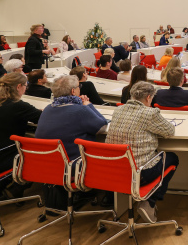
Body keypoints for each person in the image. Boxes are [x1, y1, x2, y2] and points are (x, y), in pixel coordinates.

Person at [106, 81, 179, 223]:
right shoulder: (150, 113)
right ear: (148, 98)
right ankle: (150, 201)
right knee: (172, 158)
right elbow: (169, 131)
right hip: (140, 172)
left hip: (116, 171)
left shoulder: (118, 110)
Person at [0, 73, 42, 196]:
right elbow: (42, 118)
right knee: (39, 152)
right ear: (19, 86)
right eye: (26, 86)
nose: (26, 89)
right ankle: (15, 188)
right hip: (0, 158)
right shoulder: (17, 105)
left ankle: (2, 185)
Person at [36, 74, 107, 163]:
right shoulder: (81, 110)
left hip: (48, 163)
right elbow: (102, 126)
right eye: (79, 86)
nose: (80, 88)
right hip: (74, 164)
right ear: (73, 91)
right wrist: (88, 105)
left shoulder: (47, 108)